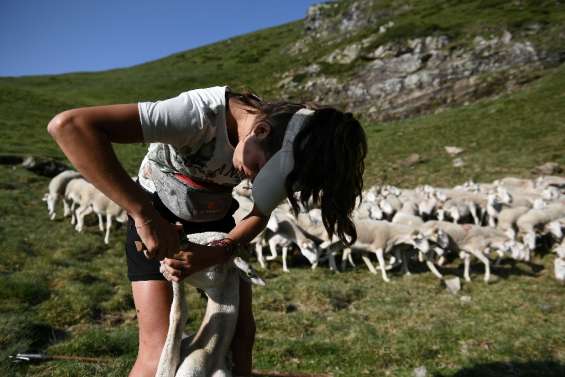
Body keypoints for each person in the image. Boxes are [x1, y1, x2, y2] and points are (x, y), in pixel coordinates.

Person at [47, 85, 367, 377]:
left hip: (217, 218)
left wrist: (220, 249)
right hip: (155, 216)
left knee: (241, 337)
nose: (253, 181)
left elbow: (258, 213)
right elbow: (70, 126)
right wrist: (144, 216)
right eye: (257, 169)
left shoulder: (289, 148)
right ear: (261, 129)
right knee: (157, 351)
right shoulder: (197, 116)